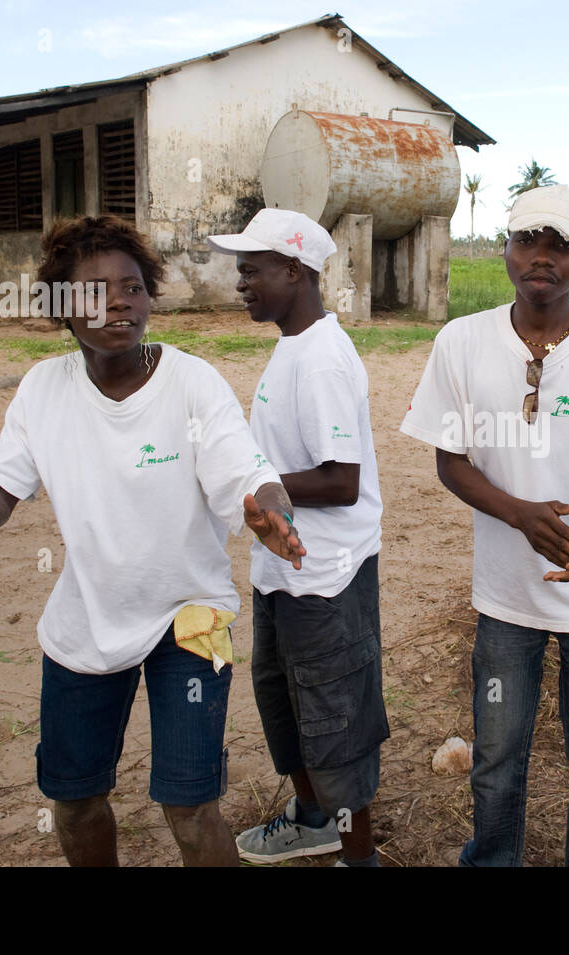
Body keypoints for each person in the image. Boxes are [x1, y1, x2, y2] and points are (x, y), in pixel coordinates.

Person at [0, 215, 305, 867]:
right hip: (89, 619)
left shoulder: (192, 382)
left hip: (193, 617)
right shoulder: (44, 391)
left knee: (189, 807)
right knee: (73, 801)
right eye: (94, 291)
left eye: (131, 286)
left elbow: (246, 471)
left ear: (150, 296)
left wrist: (270, 511)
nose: (118, 302)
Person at [401, 185, 569, 866]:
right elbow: (451, 461)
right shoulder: (462, 342)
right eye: (529, 240)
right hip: (506, 598)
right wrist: (520, 515)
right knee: (496, 765)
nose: (543, 256)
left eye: (561, 244)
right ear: (506, 248)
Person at [208, 209, 389, 867]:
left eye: (251, 271)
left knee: (337, 725)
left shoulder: (321, 360)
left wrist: (254, 482)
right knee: (287, 707)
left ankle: (357, 856)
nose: (241, 284)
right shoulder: (294, 347)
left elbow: (342, 481)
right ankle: (313, 820)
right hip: (284, 572)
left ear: (293, 270)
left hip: (328, 580)